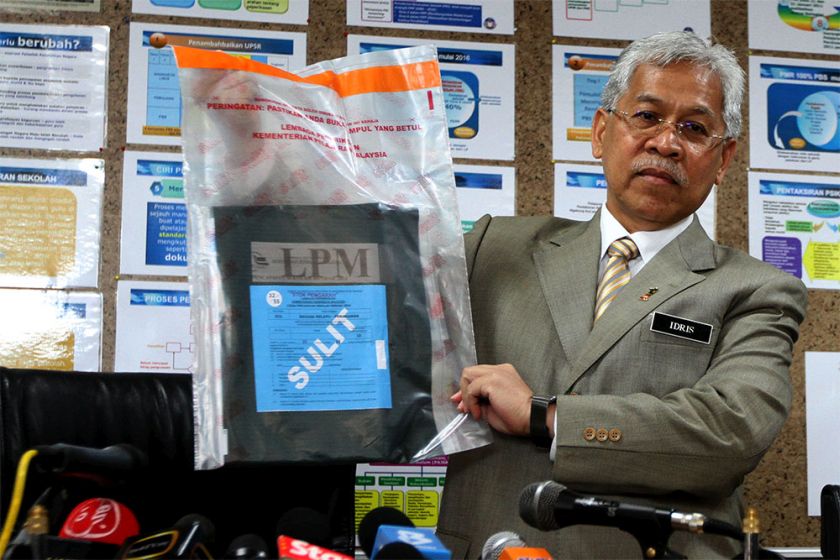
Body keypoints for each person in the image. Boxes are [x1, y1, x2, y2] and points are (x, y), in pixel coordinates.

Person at [435, 31, 808, 559]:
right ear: (602, 131)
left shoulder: (757, 289)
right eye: (647, 116)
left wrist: (546, 415)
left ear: (723, 159)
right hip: (487, 545)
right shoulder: (492, 247)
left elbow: (728, 433)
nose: (666, 142)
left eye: (694, 128)